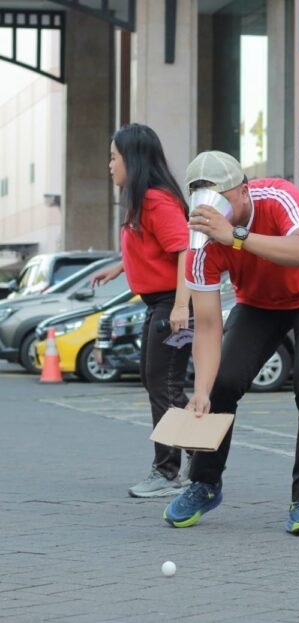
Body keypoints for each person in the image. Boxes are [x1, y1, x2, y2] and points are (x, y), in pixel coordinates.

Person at [162, 150, 299, 537]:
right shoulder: (200, 244)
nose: (212, 212)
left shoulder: (278, 196)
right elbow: (209, 326)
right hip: (260, 303)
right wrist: (200, 390)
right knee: (221, 384)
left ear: (244, 192)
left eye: (221, 200)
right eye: (201, 202)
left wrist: (235, 236)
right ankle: (205, 483)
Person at [90, 123, 192, 498]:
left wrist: (181, 305)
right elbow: (154, 247)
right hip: (161, 303)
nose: (110, 165)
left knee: (163, 385)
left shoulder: (155, 199)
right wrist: (120, 266)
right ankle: (200, 451)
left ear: (131, 159)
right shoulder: (143, 199)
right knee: (161, 384)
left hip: (172, 305)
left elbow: (184, 251)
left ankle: (168, 472)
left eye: (114, 157)